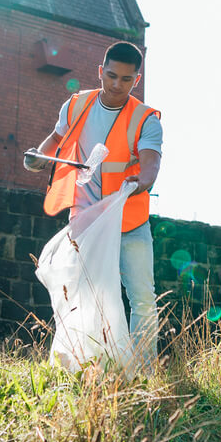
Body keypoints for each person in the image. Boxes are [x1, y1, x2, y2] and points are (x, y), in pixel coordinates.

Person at [24, 41, 163, 369]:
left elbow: (151, 164)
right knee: (84, 296)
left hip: (128, 221)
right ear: (100, 71)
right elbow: (54, 142)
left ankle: (142, 371)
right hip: (86, 220)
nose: (116, 85)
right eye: (111, 76)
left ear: (136, 81)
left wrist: (143, 181)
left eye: (126, 80)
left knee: (141, 297)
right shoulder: (75, 105)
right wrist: (38, 158)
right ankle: (87, 365)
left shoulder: (145, 119)